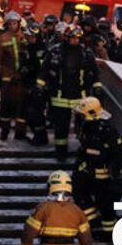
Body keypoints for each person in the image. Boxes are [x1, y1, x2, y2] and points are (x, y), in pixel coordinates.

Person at [38, 26, 102, 161]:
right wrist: (40, 87)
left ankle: (85, 152)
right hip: (60, 97)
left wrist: (97, 88)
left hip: (81, 97)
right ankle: (60, 153)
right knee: (61, 127)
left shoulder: (87, 53)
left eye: (77, 38)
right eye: (72, 38)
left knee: (85, 127)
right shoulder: (55, 51)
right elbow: (44, 70)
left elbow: (95, 73)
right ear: (67, 37)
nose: (75, 41)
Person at [72, 97, 122, 241]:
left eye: (82, 114)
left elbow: (115, 154)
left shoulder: (106, 130)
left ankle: (108, 232)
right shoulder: (88, 127)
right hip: (89, 172)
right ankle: (94, 224)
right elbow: (85, 150)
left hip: (103, 176)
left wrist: (114, 173)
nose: (79, 117)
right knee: (79, 193)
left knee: (105, 205)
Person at [0, 11, 26, 141]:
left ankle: (20, 133)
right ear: (7, 25)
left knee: (22, 107)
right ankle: (4, 130)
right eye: (11, 23)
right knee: (5, 106)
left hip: (21, 78)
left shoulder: (23, 37)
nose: (13, 26)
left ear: (19, 23)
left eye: (15, 23)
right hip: (7, 78)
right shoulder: (2, 38)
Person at [21, 22, 49, 146]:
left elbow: (42, 69)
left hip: (38, 88)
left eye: (31, 36)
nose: (28, 39)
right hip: (28, 84)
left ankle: (41, 137)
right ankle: (37, 135)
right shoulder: (29, 48)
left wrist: (30, 69)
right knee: (28, 112)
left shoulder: (42, 50)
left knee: (36, 113)